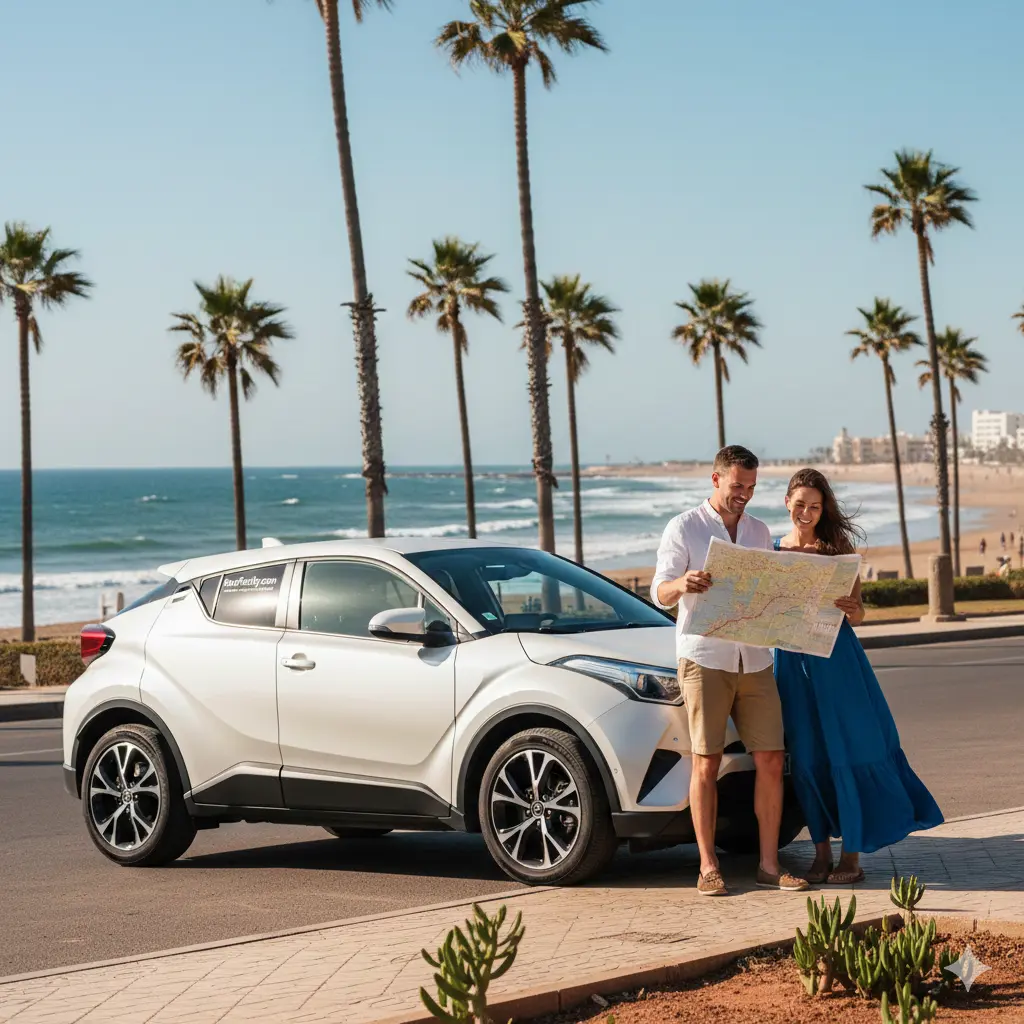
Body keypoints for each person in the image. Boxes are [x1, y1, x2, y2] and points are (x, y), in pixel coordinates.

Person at [773, 468, 943, 884]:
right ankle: (820, 853)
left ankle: (851, 856)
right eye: (800, 505)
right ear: (786, 503)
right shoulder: (770, 549)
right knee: (809, 757)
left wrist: (853, 609)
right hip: (791, 662)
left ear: (823, 508)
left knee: (846, 751)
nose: (807, 513)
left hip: (836, 660)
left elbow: (860, 613)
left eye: (815, 506)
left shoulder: (837, 549)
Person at [651, 445, 808, 896]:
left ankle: (769, 865)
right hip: (705, 658)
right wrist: (684, 584)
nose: (745, 494)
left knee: (772, 760)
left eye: (752, 487)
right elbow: (660, 591)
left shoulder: (759, 531)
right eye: (738, 485)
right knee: (707, 762)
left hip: (755, 658)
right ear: (716, 480)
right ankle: (707, 866)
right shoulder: (684, 527)